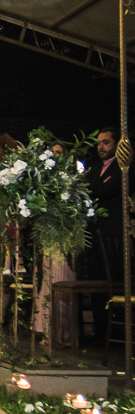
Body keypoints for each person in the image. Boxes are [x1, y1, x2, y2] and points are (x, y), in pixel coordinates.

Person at [33, 143, 75, 346]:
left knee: (60, 281)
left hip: (64, 237)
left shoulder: (71, 179)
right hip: (48, 237)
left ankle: (62, 334)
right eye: (52, 152)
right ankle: (48, 331)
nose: (55, 156)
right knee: (47, 284)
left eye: (59, 152)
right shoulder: (45, 180)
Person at [85, 127, 124, 344]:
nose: (101, 146)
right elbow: (92, 188)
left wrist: (94, 187)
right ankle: (99, 330)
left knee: (114, 281)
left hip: (113, 235)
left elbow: (106, 190)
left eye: (106, 142)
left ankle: (118, 329)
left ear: (117, 144)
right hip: (94, 233)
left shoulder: (123, 167)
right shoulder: (94, 168)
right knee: (95, 281)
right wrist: (96, 186)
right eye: (99, 142)